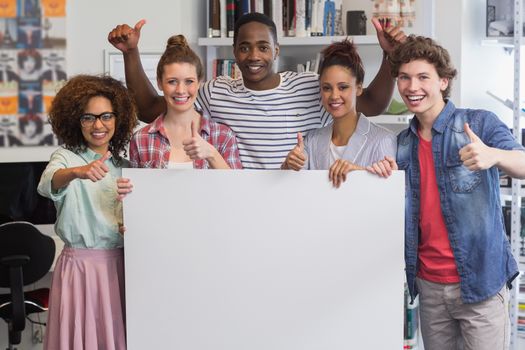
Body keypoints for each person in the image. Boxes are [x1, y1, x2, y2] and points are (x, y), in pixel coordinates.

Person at [367, 35, 525, 350]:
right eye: (405, 78)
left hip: (480, 284)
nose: (413, 87)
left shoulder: (479, 123)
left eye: (423, 77)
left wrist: (494, 155)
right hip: (429, 287)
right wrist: (378, 176)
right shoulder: (401, 144)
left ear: (444, 81)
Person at [107, 13, 406, 169]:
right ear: (234, 51)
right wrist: (131, 53)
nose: (254, 56)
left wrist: (390, 56)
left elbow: (372, 103)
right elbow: (149, 110)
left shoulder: (307, 86)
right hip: (239, 204)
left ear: (276, 49)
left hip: (295, 204)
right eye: (244, 47)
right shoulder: (215, 92)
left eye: (263, 47)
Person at [37, 75, 138, 350]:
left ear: (118, 119)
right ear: (75, 121)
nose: (98, 125)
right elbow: (48, 183)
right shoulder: (66, 157)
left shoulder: (127, 164)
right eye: (88, 118)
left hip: (120, 266)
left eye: (106, 116)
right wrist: (77, 173)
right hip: (80, 267)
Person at [281, 38, 396, 188]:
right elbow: (295, 189)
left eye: (343, 87)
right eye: (327, 88)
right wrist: (288, 166)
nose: (334, 96)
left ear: (359, 88)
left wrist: (360, 174)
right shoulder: (312, 140)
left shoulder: (383, 140)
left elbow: (389, 193)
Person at [128, 34, 241, 170]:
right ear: (159, 83)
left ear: (199, 82)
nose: (181, 90)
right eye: (172, 82)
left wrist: (212, 154)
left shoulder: (223, 136)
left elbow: (235, 189)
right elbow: (138, 190)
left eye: (189, 81)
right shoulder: (141, 139)